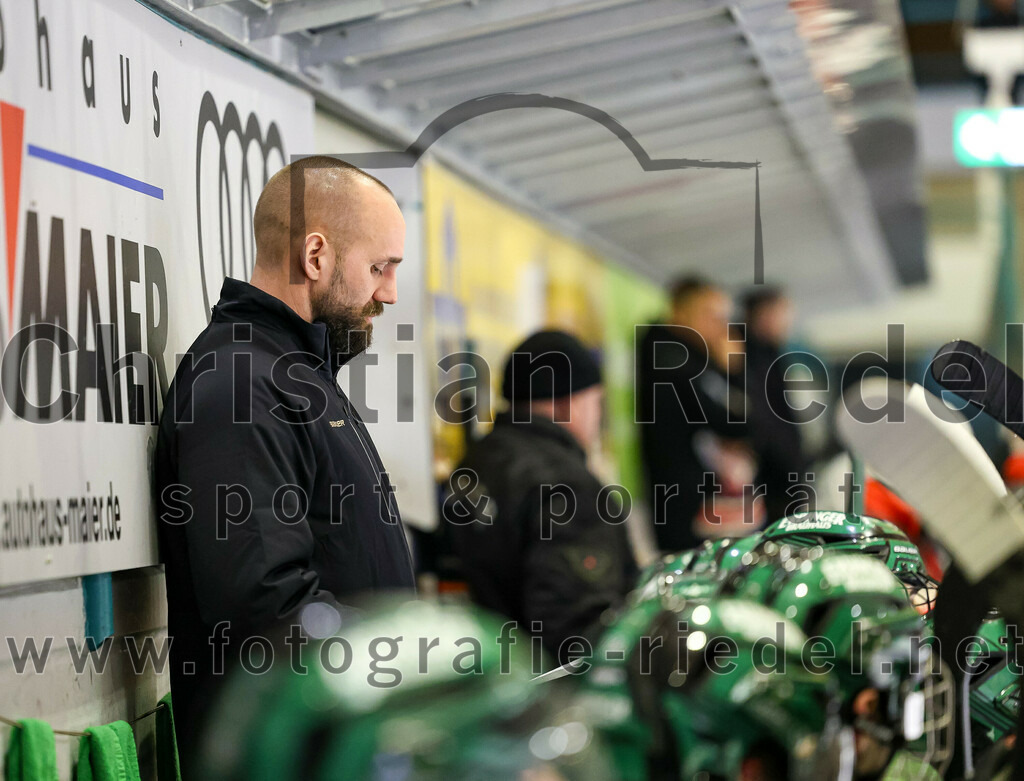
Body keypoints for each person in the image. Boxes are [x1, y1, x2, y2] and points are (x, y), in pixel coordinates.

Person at [154, 156, 415, 776]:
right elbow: (264, 611)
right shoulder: (242, 383)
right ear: (316, 255)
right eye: (380, 267)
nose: (389, 292)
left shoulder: (294, 376)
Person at [443, 330, 636, 665]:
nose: (597, 418)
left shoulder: (475, 463)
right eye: (596, 403)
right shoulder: (569, 486)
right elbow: (581, 630)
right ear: (566, 401)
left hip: (485, 675)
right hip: (547, 701)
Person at [636, 276, 761, 554]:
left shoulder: (689, 358)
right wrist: (733, 371)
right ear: (678, 313)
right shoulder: (673, 362)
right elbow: (737, 422)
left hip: (694, 502)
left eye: (722, 317)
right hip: (685, 507)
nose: (719, 326)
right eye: (709, 315)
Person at [741, 287, 807, 523]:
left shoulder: (771, 353)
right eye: (783, 314)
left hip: (780, 474)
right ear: (764, 314)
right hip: (770, 478)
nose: (788, 323)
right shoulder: (745, 355)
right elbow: (765, 419)